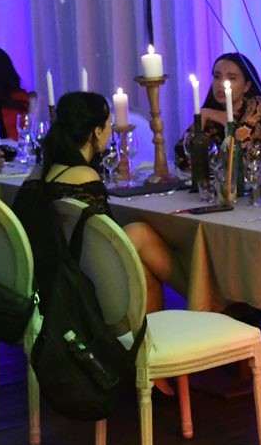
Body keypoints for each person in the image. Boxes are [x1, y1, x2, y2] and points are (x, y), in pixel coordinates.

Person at [13, 92, 189, 318]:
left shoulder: (39, 171)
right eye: (108, 125)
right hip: (68, 288)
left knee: (144, 264)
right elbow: (107, 237)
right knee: (141, 234)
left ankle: (187, 307)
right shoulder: (82, 175)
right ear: (96, 131)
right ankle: (201, 298)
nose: (110, 131)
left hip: (36, 279)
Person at [174, 53, 261, 180]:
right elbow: (182, 158)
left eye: (231, 78)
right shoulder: (210, 113)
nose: (221, 84)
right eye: (217, 76)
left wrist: (225, 121)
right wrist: (202, 119)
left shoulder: (257, 107)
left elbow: (243, 157)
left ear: (247, 86)